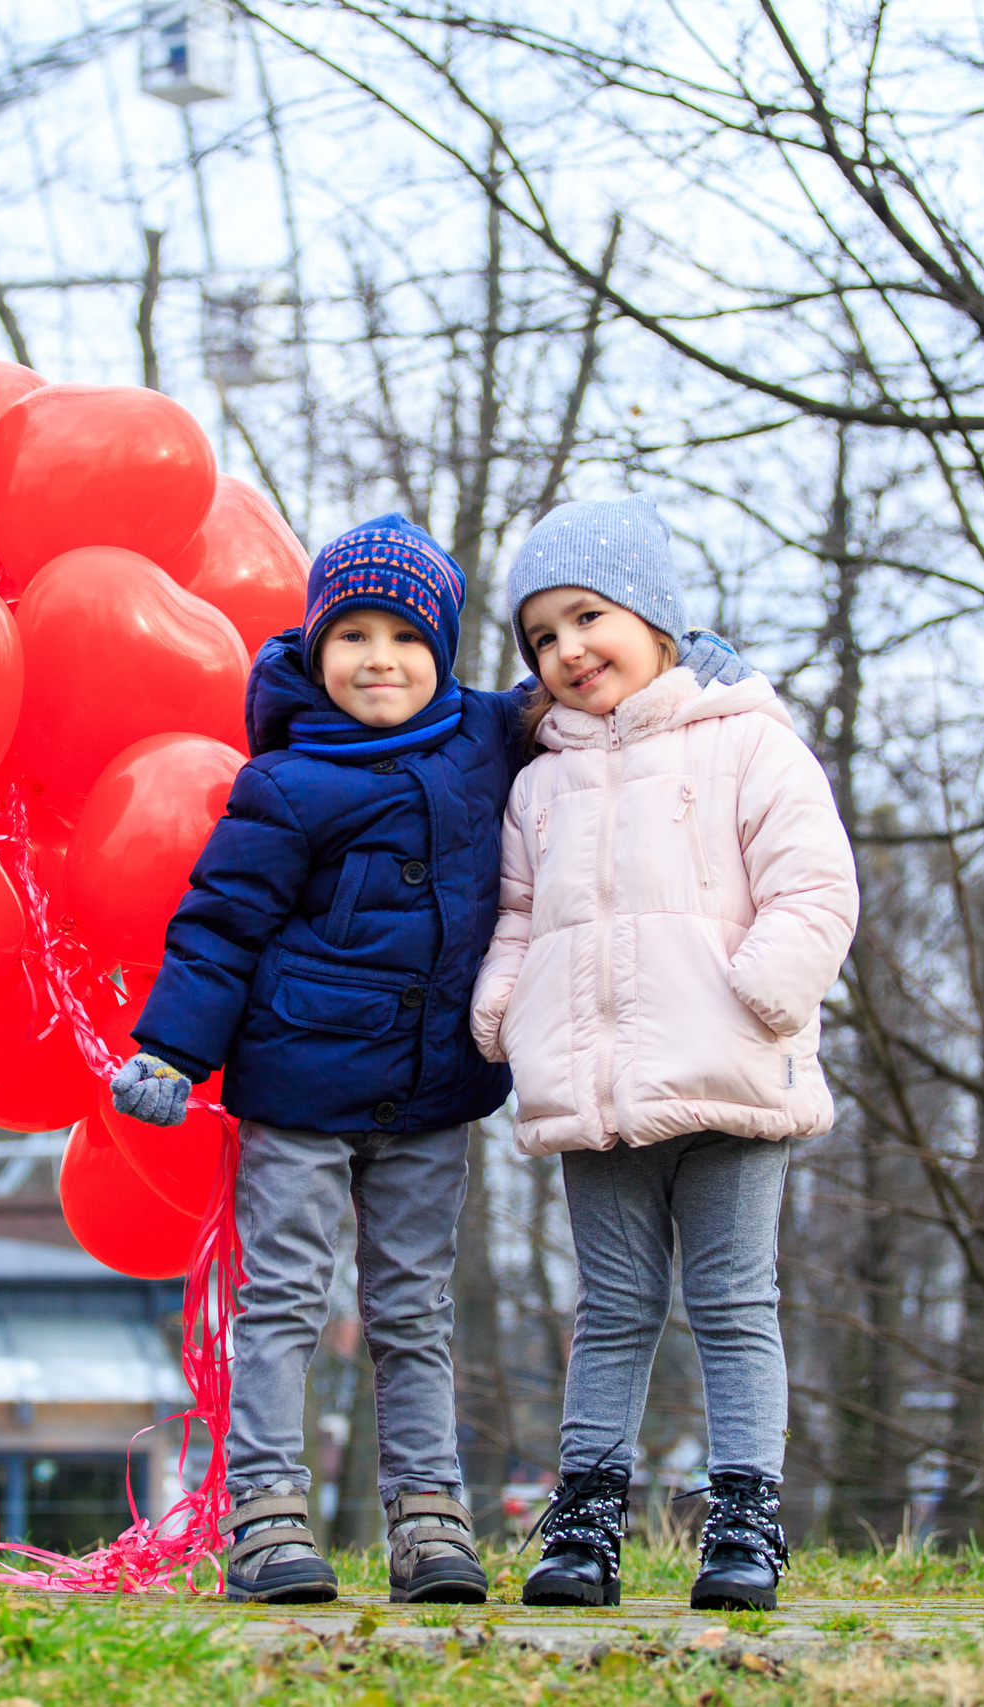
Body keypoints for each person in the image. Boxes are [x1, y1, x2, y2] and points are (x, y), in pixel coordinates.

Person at [108, 513, 747, 1605]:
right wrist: (170, 1050)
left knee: (412, 1311)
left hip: (427, 1096)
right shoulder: (288, 782)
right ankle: (263, 1514)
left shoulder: (484, 735)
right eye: (351, 636)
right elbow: (220, 923)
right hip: (300, 1091)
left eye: (404, 637)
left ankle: (429, 1520)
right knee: (286, 1302)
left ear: (441, 651)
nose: (379, 659)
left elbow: (588, 684)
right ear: (315, 650)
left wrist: (694, 671)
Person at [470, 498, 859, 1613]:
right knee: (612, 1305)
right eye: (540, 637)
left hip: (731, 1073)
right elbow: (519, 912)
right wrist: (504, 1004)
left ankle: (742, 1522)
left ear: (654, 616)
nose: (566, 651)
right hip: (596, 1088)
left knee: (735, 1302)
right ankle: (584, 1526)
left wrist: (759, 992)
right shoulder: (539, 780)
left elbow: (814, 885)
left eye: (587, 616)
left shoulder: (746, 740)